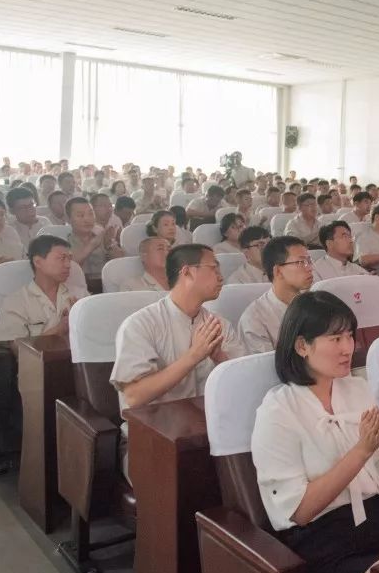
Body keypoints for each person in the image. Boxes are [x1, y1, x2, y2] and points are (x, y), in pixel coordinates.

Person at [252, 291, 379, 573]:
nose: (349, 347)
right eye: (335, 339)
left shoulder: (357, 390)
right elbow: (301, 511)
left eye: (350, 336)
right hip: (326, 544)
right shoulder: (278, 410)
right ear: (302, 346)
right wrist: (361, 452)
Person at [111, 244, 246, 479]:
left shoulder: (219, 325)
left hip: (211, 434)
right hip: (154, 439)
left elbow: (242, 389)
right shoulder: (141, 325)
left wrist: (219, 358)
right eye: (213, 268)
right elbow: (134, 396)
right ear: (187, 272)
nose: (221, 276)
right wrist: (194, 356)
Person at [0, 234, 90, 342]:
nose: (68, 265)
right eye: (62, 258)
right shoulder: (16, 302)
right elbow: (16, 349)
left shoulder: (81, 296)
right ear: (38, 262)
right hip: (39, 359)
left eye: (69, 259)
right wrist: (59, 330)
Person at [237, 236, 314, 353]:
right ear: (278, 271)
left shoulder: (315, 303)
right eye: (301, 262)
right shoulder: (254, 320)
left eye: (309, 261)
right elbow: (265, 369)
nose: (310, 268)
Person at [65, 197, 124, 275]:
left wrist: (109, 244)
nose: (87, 219)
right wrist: (93, 244)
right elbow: (70, 266)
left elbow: (121, 264)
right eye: (80, 215)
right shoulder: (64, 243)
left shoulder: (103, 236)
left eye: (90, 214)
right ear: (68, 219)